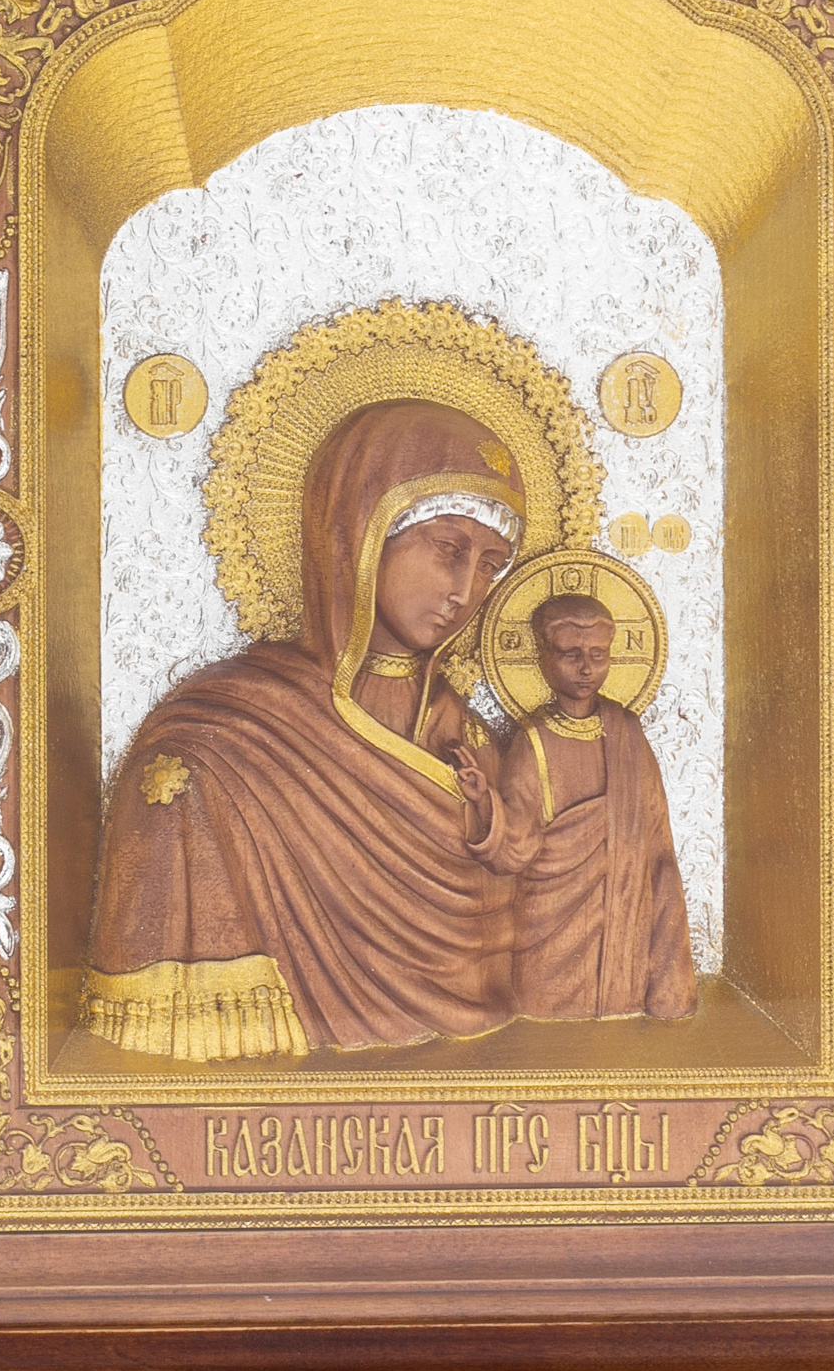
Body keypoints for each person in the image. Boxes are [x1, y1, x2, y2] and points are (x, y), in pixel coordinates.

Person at [84, 399, 525, 1058]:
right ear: (360, 531)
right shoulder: (219, 737)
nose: (466, 589)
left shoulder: (468, 738)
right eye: (447, 548)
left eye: (490, 564)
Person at [455, 593, 698, 1022]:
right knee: (545, 1026)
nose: (586, 668)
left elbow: (656, 840)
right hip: (549, 929)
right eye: (571, 654)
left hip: (623, 921)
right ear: (544, 658)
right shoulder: (533, 741)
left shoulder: (627, 733)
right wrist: (484, 802)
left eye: (597, 655)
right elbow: (519, 844)